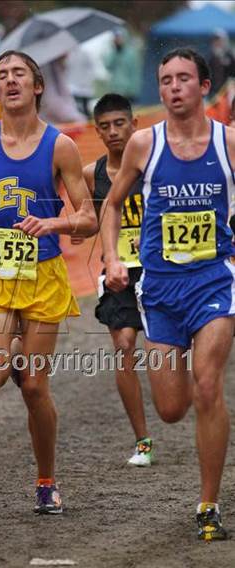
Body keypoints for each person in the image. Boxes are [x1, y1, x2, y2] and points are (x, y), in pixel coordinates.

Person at [0, 50, 98, 514]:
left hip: (43, 276)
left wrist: (50, 224)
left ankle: (46, 481)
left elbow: (88, 218)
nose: (9, 81)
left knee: (35, 389)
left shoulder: (60, 147)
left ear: (37, 87)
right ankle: (12, 354)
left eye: (19, 74)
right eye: (2, 76)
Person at [102, 47, 234, 541]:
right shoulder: (142, 144)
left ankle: (208, 503)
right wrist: (114, 259)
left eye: (183, 79)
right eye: (165, 80)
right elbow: (111, 207)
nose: (173, 87)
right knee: (172, 407)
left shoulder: (228, 143)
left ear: (204, 86)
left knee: (207, 387)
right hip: (159, 289)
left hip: (214, 283)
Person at [82, 93, 153, 466]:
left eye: (119, 124)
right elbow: (88, 218)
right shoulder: (90, 174)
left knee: (166, 351)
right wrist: (77, 230)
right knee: (124, 345)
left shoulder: (155, 165)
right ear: (97, 131)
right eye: (105, 127)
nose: (113, 132)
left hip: (160, 268)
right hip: (117, 268)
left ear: (134, 123)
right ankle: (142, 439)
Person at [104, 29, 142, 103]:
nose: (118, 40)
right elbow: (108, 66)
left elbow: (134, 72)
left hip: (129, 91)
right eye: (116, 37)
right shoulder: (112, 52)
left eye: (119, 37)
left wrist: (133, 89)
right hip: (115, 89)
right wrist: (115, 51)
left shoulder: (131, 53)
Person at [209, 29, 235, 97]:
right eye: (215, 40)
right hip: (213, 92)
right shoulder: (210, 57)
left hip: (227, 91)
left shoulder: (230, 56)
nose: (217, 42)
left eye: (218, 40)